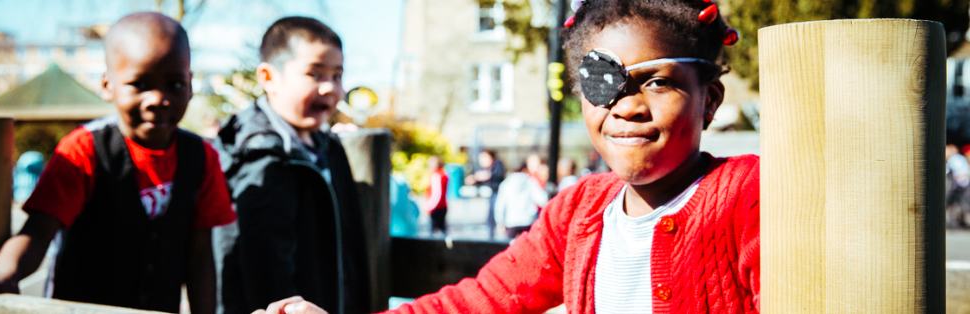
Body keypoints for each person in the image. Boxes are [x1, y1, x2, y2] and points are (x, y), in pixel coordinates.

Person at [257, 0, 758, 313]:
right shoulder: (579, 210)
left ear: (709, 100)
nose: (627, 106)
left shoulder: (749, 196)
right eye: (604, 81)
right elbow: (481, 301)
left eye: (658, 81)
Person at [0, 12, 236, 314]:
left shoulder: (203, 157)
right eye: (140, 84)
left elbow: (201, 256)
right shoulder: (83, 149)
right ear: (107, 85)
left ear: (190, 84)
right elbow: (37, 232)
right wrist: (2, 275)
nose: (157, 98)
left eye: (175, 84)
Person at [213, 16, 370, 314]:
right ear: (268, 78)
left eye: (337, 76)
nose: (330, 88)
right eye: (315, 74)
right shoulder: (257, 157)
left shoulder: (328, 147)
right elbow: (262, 266)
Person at [494, 161, 549, 238]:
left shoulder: (506, 184)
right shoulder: (530, 182)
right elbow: (542, 200)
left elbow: (500, 205)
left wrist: (500, 222)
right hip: (528, 221)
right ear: (524, 169)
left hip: (511, 221)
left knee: (511, 247)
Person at [472, 150, 505, 238]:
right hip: (492, 193)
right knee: (491, 214)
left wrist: (487, 175)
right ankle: (491, 234)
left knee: (496, 213)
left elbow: (499, 176)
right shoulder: (488, 169)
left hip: (499, 194)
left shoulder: (497, 165)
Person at [424, 155, 450, 236]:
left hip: (436, 207)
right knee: (442, 230)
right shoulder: (443, 173)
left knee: (434, 231)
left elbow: (436, 194)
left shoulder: (436, 175)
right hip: (442, 206)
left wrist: (429, 206)